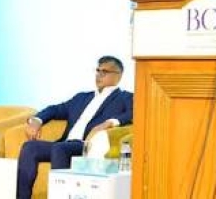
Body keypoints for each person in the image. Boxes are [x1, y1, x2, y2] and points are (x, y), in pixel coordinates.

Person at [16, 56, 133, 199]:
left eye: (105, 71)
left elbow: (133, 113)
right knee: (30, 147)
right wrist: (36, 120)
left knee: (60, 149)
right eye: (98, 71)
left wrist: (109, 123)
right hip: (65, 144)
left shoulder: (125, 97)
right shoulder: (81, 97)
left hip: (87, 145)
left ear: (118, 75)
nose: (99, 75)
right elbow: (56, 109)